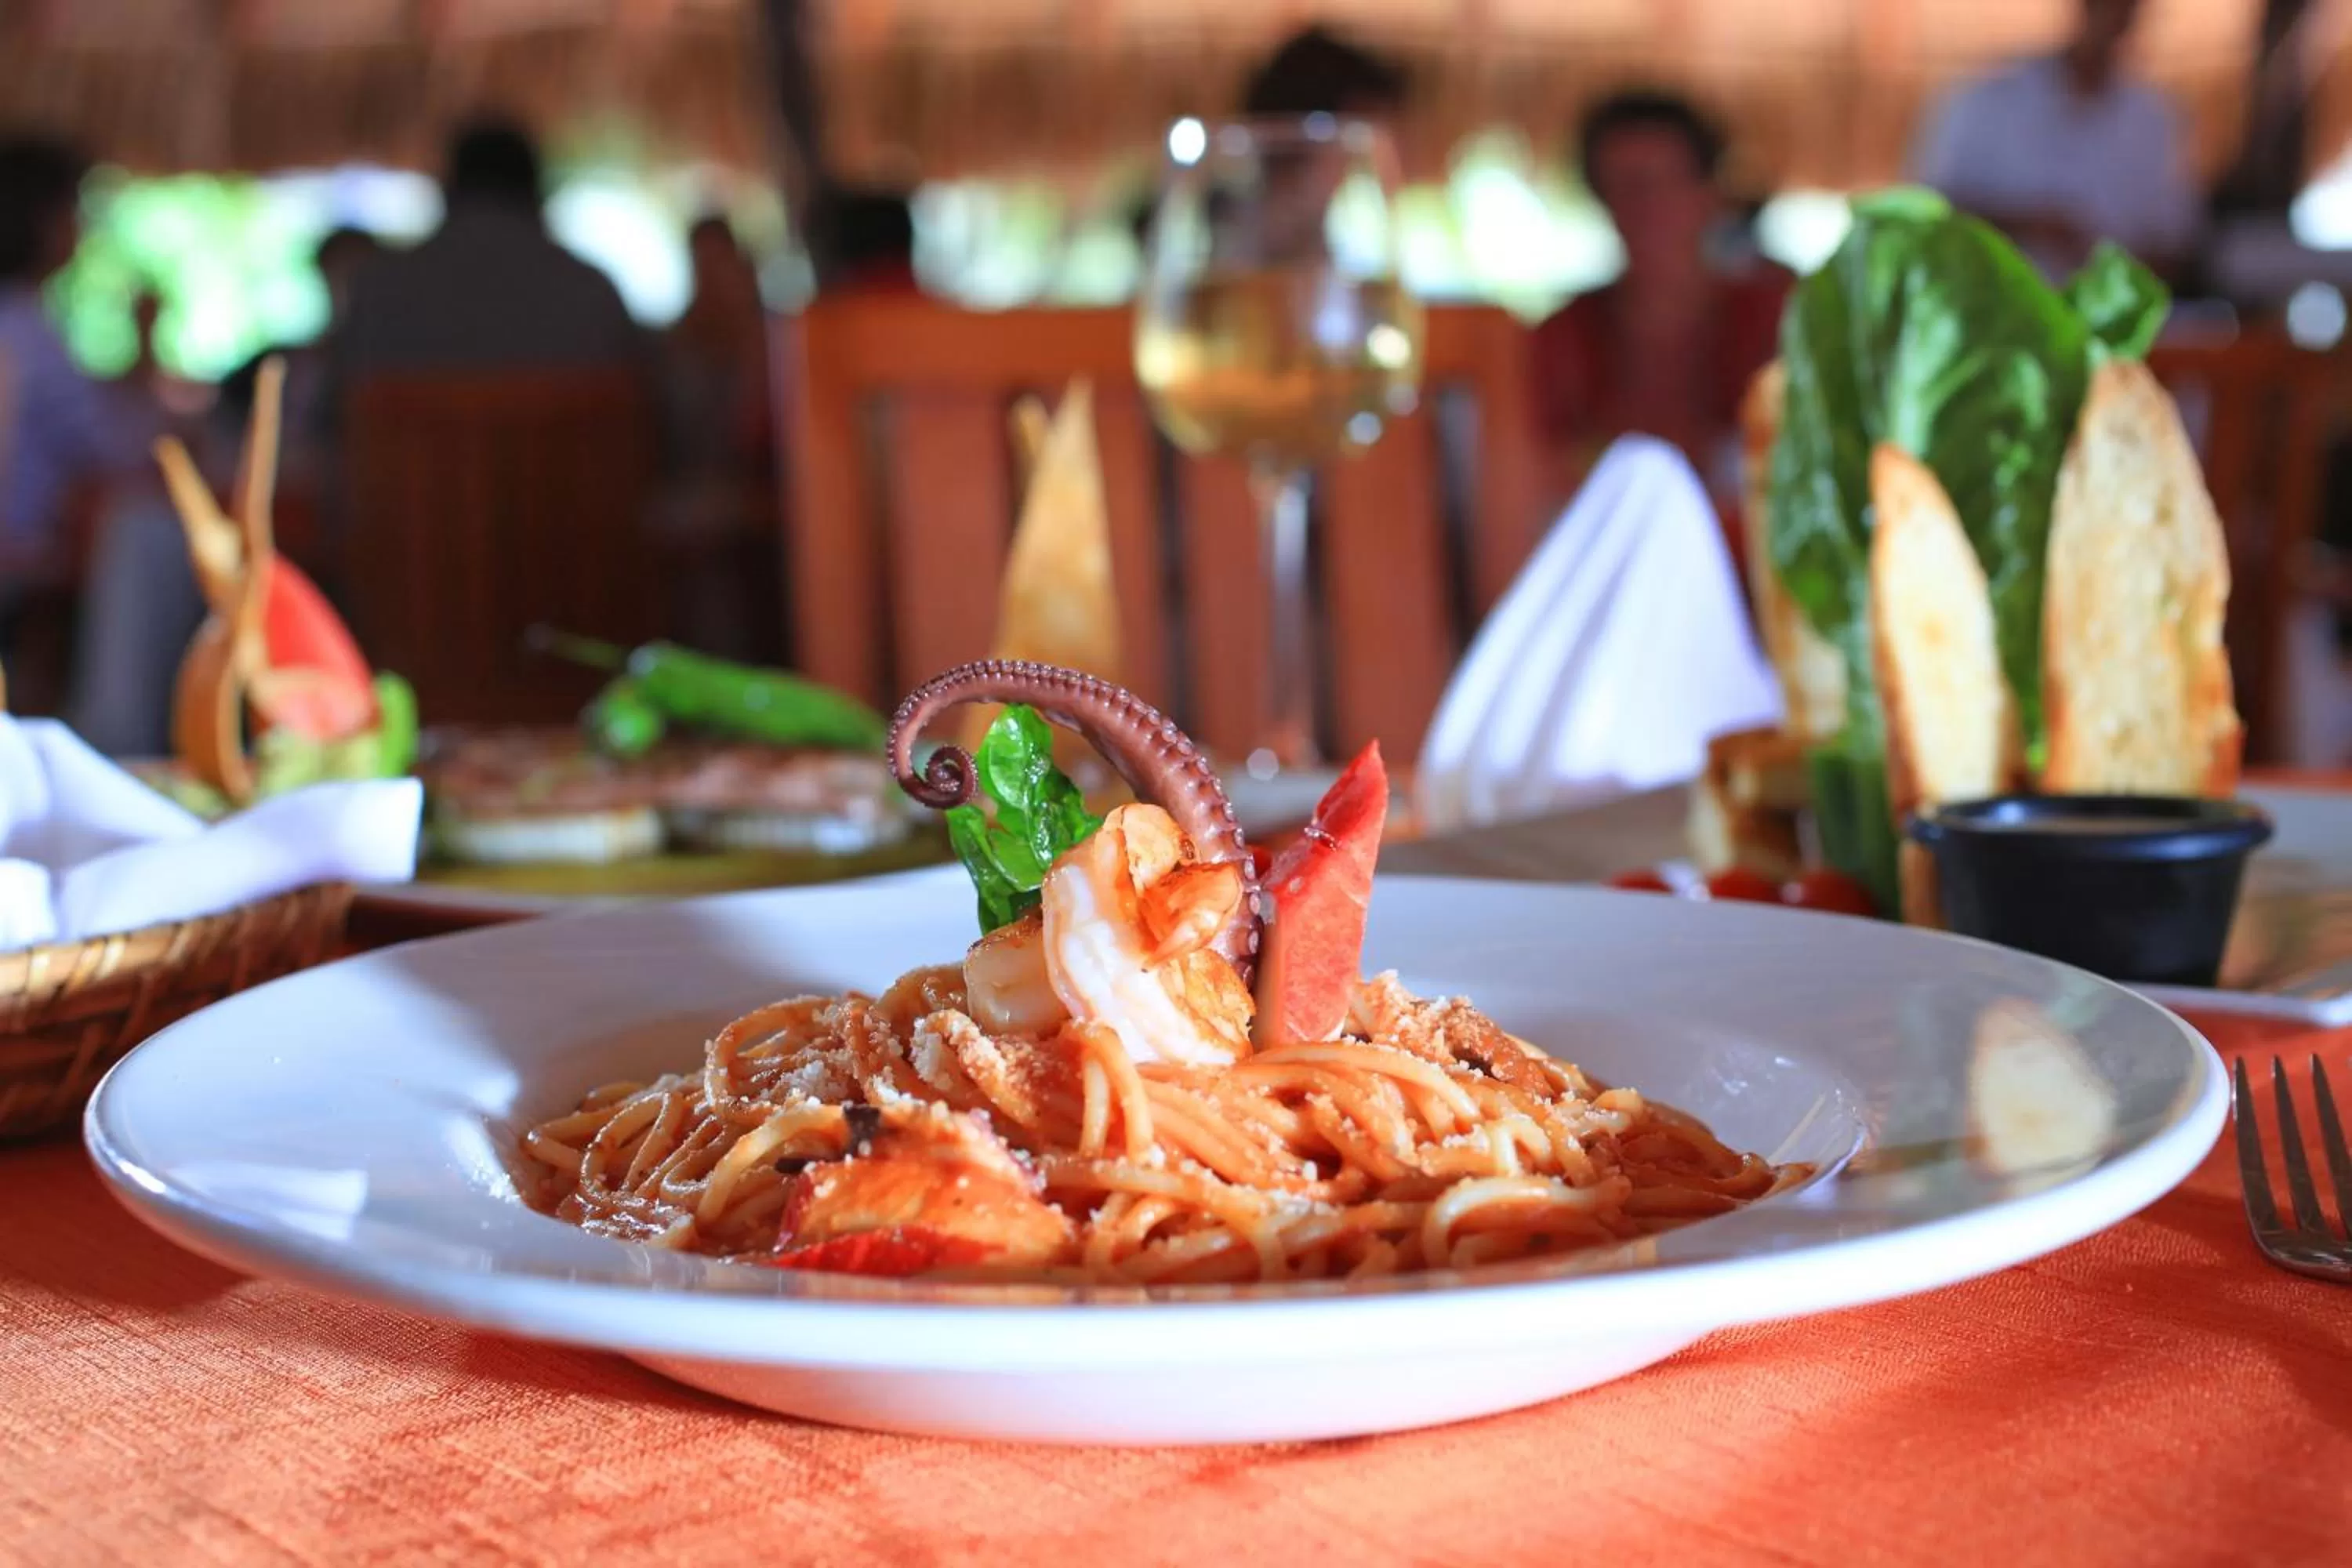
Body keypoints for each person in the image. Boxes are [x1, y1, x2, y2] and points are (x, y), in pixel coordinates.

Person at [1527, 92, 1790, 528]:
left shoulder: (1777, 322)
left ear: (1710, 193)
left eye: (1662, 183)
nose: (1645, 209)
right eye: (1623, 187)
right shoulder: (1563, 336)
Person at [330, 117, 642, 380]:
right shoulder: (593, 293)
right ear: (537, 195)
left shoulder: (378, 294)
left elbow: (325, 426)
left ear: (447, 193)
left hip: (411, 455)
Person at [1907, 0, 2198, 283]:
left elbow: (2173, 241)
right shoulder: (1990, 99)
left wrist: (2111, 267)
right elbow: (1931, 210)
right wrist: (2029, 225)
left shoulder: (2152, 117)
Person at [0, 135, 158, 632]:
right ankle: (123, 712)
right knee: (152, 539)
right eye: (76, 212)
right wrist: (146, 344)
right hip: (19, 552)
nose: (82, 229)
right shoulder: (25, 326)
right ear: (41, 222)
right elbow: (114, 447)